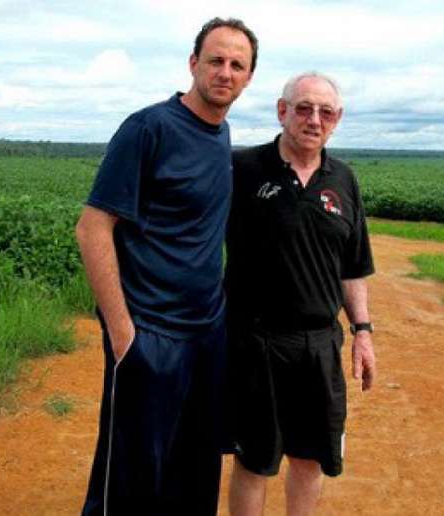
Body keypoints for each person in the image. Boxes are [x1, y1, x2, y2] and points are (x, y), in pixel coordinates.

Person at [76, 17, 257, 515]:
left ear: (248, 79)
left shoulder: (221, 135)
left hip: (206, 334)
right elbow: (93, 227)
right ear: (193, 63)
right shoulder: (148, 128)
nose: (225, 72)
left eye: (237, 65)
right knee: (131, 477)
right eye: (216, 60)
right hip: (150, 331)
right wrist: (122, 332)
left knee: (196, 469)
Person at [224, 72, 376, 516]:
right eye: (304, 108)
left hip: (320, 344)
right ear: (281, 111)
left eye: (325, 112)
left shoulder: (343, 180)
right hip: (255, 342)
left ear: (337, 119)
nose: (314, 119)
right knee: (254, 461)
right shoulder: (243, 168)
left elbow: (353, 268)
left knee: (310, 461)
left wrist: (363, 332)